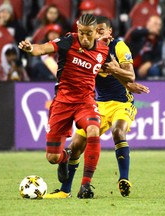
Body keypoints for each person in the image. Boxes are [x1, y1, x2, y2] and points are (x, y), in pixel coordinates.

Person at [18, 14, 135, 197]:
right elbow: (42, 49)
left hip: (85, 102)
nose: (85, 38)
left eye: (89, 34)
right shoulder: (68, 41)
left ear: (96, 32)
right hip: (62, 103)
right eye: (81, 33)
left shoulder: (104, 50)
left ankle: (86, 185)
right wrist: (30, 47)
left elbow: (122, 75)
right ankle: (65, 158)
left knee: (93, 130)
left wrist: (124, 79)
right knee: (53, 158)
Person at [45, 16, 150, 199]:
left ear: (110, 32)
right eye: (96, 31)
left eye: (102, 31)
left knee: (118, 132)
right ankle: (65, 190)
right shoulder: (88, 49)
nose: (98, 34)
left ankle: (123, 179)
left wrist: (120, 74)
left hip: (121, 103)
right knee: (76, 146)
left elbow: (130, 74)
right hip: (98, 103)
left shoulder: (119, 47)